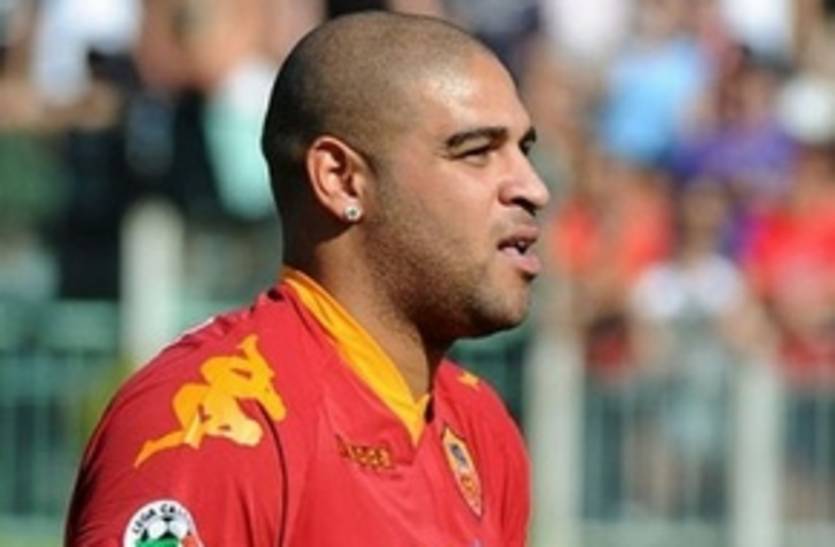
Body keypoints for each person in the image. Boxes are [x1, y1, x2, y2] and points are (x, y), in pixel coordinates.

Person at [65, 10, 549, 546]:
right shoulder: (210, 424)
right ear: (341, 180)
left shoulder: (481, 427)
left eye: (523, 150)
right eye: (477, 152)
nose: (533, 187)